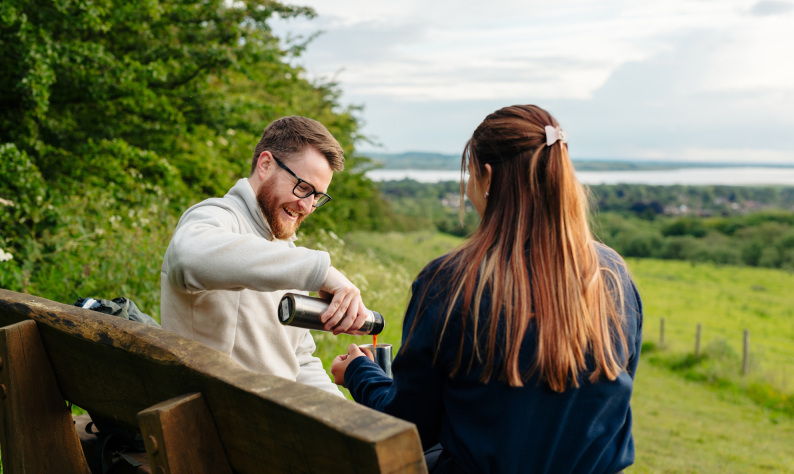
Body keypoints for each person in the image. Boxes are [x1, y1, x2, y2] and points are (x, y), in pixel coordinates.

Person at [331, 105, 643, 472]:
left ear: (489, 177)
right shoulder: (613, 277)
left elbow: (410, 427)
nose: (467, 189)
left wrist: (359, 374)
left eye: (470, 174)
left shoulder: (449, 282)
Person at [162, 116, 369, 398]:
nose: (307, 207)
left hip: (268, 424)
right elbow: (187, 257)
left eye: (317, 196)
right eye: (303, 188)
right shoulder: (215, 217)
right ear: (266, 165)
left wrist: (344, 420)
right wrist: (322, 271)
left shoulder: (286, 255)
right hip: (211, 425)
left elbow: (299, 358)